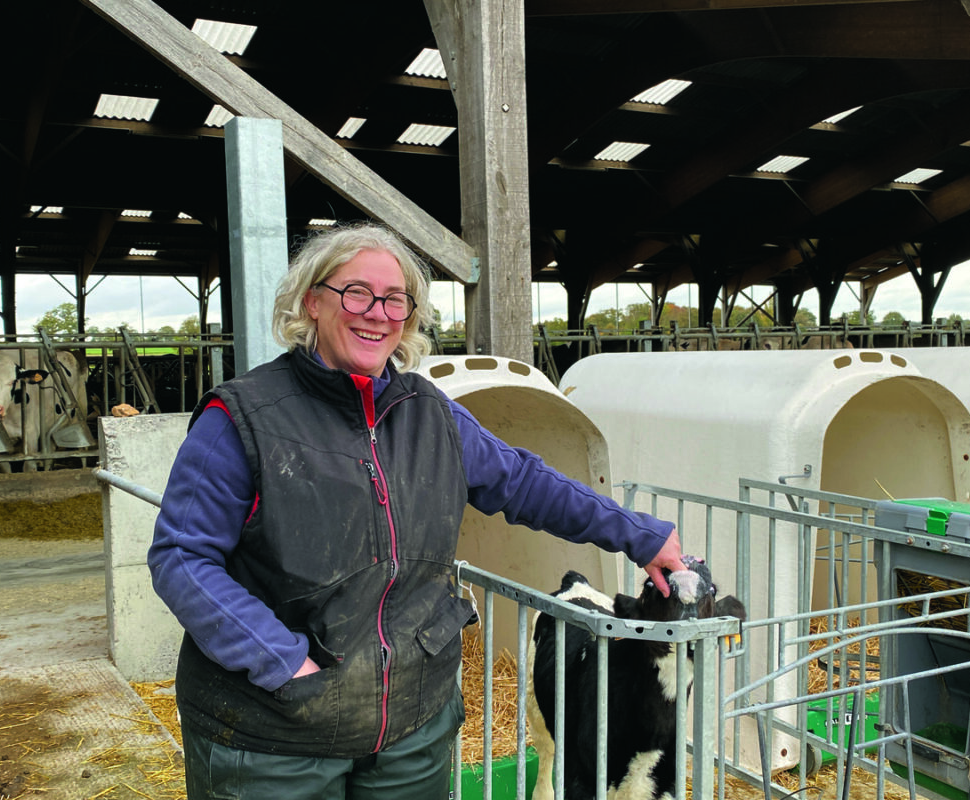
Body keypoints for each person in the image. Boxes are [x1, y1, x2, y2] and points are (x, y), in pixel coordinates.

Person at [148, 222, 685, 800]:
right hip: (274, 735)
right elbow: (182, 557)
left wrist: (641, 535)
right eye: (357, 292)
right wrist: (282, 661)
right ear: (312, 300)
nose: (377, 312)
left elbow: (525, 482)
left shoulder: (431, 415)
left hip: (411, 728)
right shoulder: (243, 419)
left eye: (395, 299)